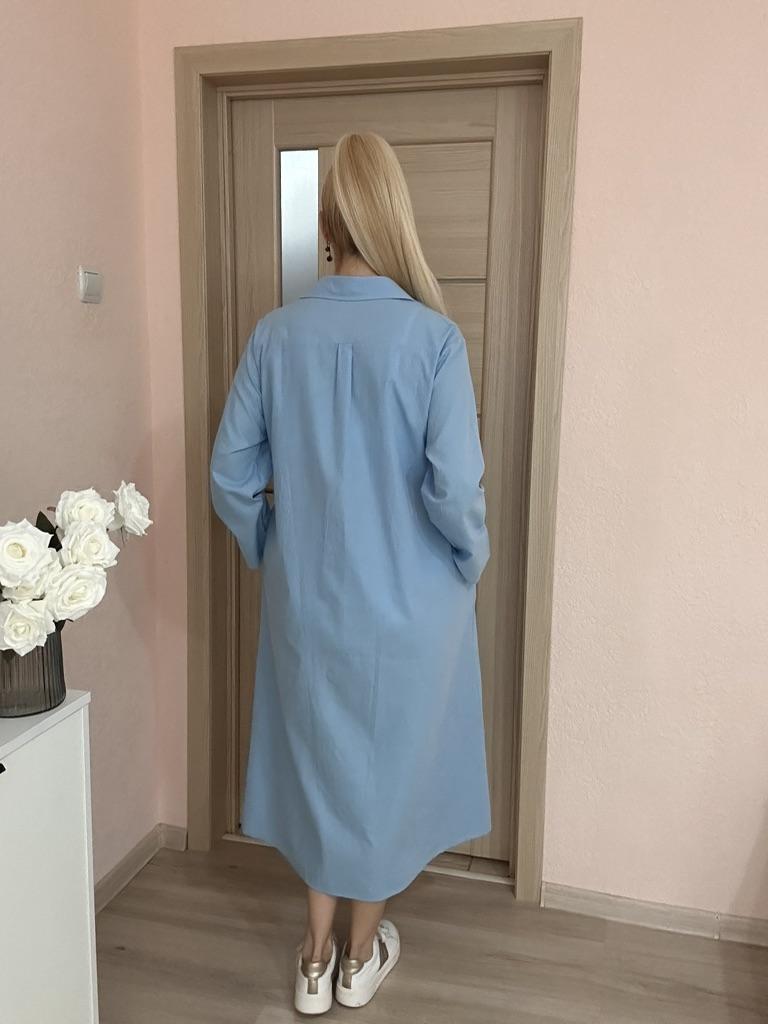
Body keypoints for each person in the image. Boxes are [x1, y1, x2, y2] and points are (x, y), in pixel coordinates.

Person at [210, 131, 491, 1015]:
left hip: (308, 603)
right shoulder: (434, 339)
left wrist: (269, 545)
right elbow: (455, 487)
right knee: (388, 775)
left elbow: (229, 473)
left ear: (328, 225)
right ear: (392, 216)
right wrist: (469, 559)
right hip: (411, 608)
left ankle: (311, 959)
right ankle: (360, 958)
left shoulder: (275, 334)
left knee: (321, 767)